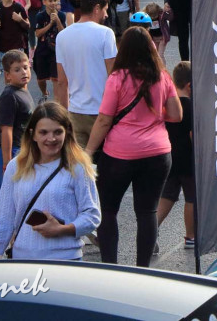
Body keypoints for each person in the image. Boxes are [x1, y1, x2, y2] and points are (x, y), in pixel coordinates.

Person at [84, 27, 182, 267]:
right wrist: (153, 118)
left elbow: (105, 119)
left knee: (108, 210)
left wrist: (87, 152)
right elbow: (176, 114)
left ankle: (111, 266)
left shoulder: (117, 79)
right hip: (157, 153)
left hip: (120, 153)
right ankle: (143, 268)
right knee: (147, 212)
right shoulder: (162, 77)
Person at [0, 102, 101, 260]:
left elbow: (92, 215)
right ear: (32, 134)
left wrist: (62, 229)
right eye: (43, 132)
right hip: (23, 261)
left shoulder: (78, 167)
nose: (51, 138)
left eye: (57, 132)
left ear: (67, 132)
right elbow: (3, 220)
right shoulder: (16, 166)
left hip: (66, 260)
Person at [55, 0, 119, 148]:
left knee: (80, 167)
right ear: (96, 8)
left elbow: (62, 82)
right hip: (103, 112)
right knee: (106, 164)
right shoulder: (106, 33)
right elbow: (114, 75)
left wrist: (65, 116)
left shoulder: (62, 36)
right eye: (105, 10)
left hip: (75, 112)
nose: (106, 15)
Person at [0, 50, 36, 219]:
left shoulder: (22, 91)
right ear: (8, 75)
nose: (24, 72)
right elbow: (6, 130)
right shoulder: (9, 96)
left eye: (26, 67)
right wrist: (7, 162)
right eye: (17, 69)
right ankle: (13, 241)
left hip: (16, 150)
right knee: (13, 204)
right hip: (9, 152)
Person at [157, 61, 196, 250]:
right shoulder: (189, 106)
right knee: (192, 197)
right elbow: (192, 135)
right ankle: (191, 236)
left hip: (169, 157)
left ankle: (151, 228)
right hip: (187, 159)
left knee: (168, 195)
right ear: (189, 85)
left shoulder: (168, 104)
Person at [33, 0, 71, 102]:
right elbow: (37, 33)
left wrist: (58, 21)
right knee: (41, 79)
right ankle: (44, 93)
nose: (53, 3)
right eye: (50, 1)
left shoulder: (61, 15)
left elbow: (64, 33)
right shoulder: (40, 16)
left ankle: (56, 102)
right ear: (44, 2)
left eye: (55, 1)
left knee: (56, 79)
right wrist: (50, 24)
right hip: (42, 49)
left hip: (55, 51)